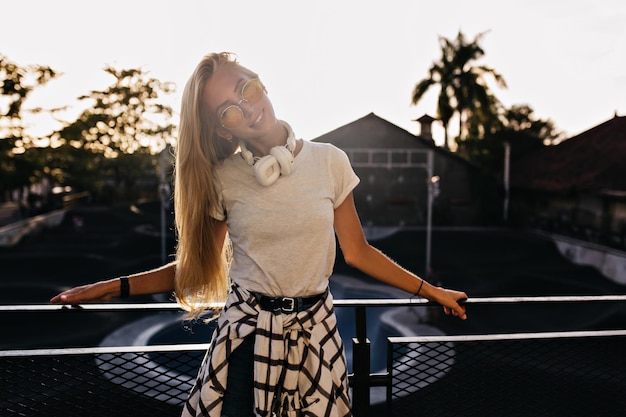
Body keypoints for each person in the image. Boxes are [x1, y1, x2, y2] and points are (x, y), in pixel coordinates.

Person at [50, 52, 468, 417]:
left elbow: (358, 253)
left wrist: (432, 291)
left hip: (317, 339)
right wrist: (109, 288)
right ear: (223, 131)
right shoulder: (222, 179)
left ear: (261, 84)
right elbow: (196, 271)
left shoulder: (331, 161)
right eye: (228, 110)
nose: (247, 108)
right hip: (246, 343)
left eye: (246, 89)